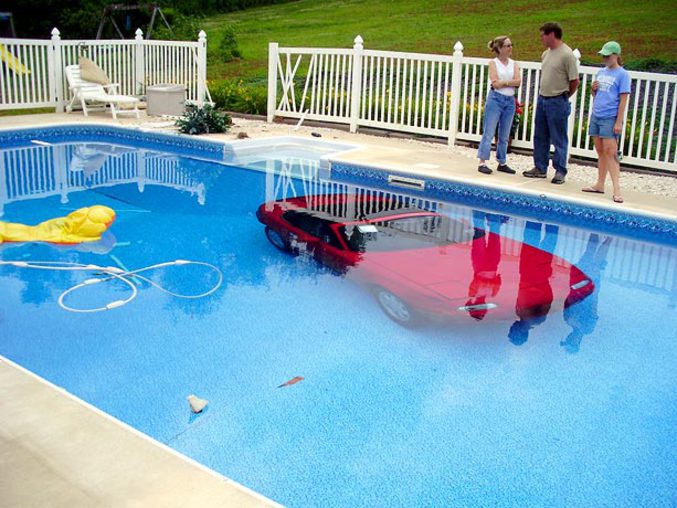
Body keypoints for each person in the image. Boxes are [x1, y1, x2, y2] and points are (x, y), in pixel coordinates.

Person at [523, 22, 579, 184]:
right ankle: (540, 167)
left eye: (542, 35)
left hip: (557, 100)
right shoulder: (546, 54)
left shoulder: (566, 54)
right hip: (543, 99)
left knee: (559, 137)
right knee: (540, 135)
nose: (541, 39)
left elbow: (574, 81)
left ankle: (560, 170)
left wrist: (564, 96)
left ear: (552, 34)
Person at [582, 41, 630, 203]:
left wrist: (618, 122)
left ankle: (617, 188)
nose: (605, 59)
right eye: (603, 56)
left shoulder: (622, 75)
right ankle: (600, 184)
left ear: (616, 55)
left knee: (611, 153)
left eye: (608, 56)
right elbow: (598, 96)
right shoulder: (601, 72)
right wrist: (593, 90)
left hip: (610, 117)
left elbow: (623, 100)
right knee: (600, 151)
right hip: (597, 115)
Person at [477, 36, 521, 175]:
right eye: (507, 46)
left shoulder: (514, 63)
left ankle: (502, 161)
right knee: (489, 131)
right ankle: (482, 161)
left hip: (509, 100)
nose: (510, 48)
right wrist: (509, 82)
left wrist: (505, 82)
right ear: (500, 48)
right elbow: (495, 83)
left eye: (511, 45)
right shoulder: (493, 63)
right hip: (496, 99)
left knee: (505, 133)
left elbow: (518, 81)